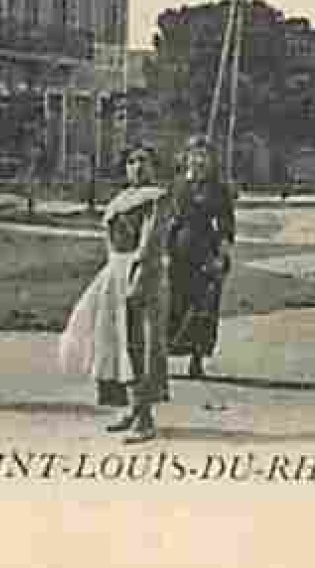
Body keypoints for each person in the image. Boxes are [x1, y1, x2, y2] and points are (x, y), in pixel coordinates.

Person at [58, 144, 170, 444]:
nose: (136, 167)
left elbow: (151, 241)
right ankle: (131, 409)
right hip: (115, 272)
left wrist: (139, 276)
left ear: (154, 167)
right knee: (112, 339)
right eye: (131, 162)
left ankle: (145, 418)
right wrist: (111, 272)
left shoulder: (157, 198)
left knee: (138, 343)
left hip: (140, 272)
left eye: (143, 161)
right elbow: (109, 242)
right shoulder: (121, 199)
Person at [165, 135, 236, 379]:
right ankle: (164, 355)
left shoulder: (218, 190)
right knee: (174, 303)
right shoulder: (177, 186)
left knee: (203, 307)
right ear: (185, 158)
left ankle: (197, 359)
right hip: (178, 251)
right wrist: (164, 250)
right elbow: (168, 221)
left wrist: (221, 255)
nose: (199, 161)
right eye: (194, 155)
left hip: (206, 252)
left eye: (204, 155)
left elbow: (226, 224)